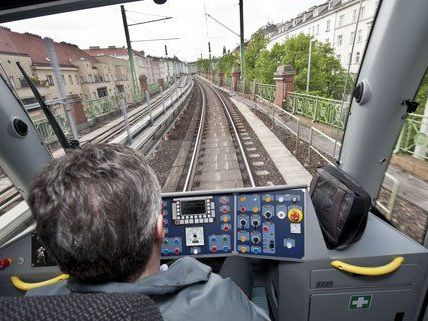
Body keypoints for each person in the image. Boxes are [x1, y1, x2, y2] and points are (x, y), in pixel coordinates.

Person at [27, 144, 270, 321]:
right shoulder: (222, 302)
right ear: (159, 229)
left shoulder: (32, 306)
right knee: (238, 260)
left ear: (50, 247)